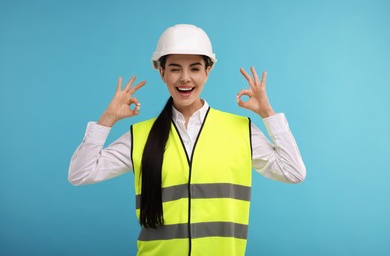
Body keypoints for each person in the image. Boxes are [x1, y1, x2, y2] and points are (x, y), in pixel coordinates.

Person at [68, 24, 306, 256]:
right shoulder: (139, 135)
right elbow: (80, 174)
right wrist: (106, 120)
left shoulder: (241, 130)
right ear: (161, 72)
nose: (185, 78)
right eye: (174, 69)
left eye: (194, 68)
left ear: (207, 71)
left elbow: (293, 172)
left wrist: (268, 114)